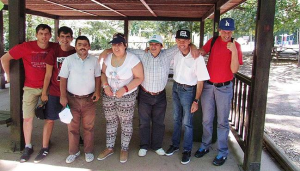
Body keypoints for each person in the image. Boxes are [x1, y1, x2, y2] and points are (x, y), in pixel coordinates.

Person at [1, 24, 57, 162]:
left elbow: (71, 51)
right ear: (36, 35)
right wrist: (8, 76)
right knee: (27, 118)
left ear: (50, 35)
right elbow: (4, 58)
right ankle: (28, 146)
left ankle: (45, 146)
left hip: (49, 87)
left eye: (46, 34)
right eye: (41, 33)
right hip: (30, 87)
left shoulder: (54, 47)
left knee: (49, 118)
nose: (44, 36)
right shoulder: (26, 47)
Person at [194, 18, 243, 166]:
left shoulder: (237, 46)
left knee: (222, 122)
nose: (227, 34)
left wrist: (233, 51)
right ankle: (205, 145)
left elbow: (234, 69)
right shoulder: (213, 41)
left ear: (232, 31)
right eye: (224, 31)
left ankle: (222, 152)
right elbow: (203, 51)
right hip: (209, 86)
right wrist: (196, 51)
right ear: (219, 30)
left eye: (229, 31)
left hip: (224, 88)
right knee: (207, 119)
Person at [165, 30, 210, 165]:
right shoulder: (176, 54)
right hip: (176, 88)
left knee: (187, 122)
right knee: (176, 118)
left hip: (188, 91)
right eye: (179, 40)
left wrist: (196, 100)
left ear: (190, 41)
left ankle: (186, 150)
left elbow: (201, 81)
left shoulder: (197, 57)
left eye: (184, 40)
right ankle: (175, 144)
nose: (181, 43)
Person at [97, 33, 144, 163]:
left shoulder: (132, 59)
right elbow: (103, 73)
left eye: (119, 44)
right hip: (109, 94)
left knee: (126, 122)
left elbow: (140, 78)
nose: (116, 47)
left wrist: (125, 89)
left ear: (125, 45)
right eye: (114, 44)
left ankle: (124, 148)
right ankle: (109, 147)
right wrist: (105, 85)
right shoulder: (108, 58)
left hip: (127, 95)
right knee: (111, 121)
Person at [33, 26, 76, 163]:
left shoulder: (75, 52)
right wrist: (44, 92)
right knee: (50, 119)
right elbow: (48, 74)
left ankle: (73, 147)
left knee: (72, 121)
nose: (65, 39)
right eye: (62, 36)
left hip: (72, 92)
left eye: (67, 36)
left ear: (71, 38)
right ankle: (44, 147)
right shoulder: (53, 51)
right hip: (55, 91)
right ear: (58, 38)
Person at [59, 36, 101, 164]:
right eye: (80, 44)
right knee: (72, 127)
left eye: (85, 44)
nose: (82, 47)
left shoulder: (94, 60)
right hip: (72, 99)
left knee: (88, 127)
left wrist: (97, 91)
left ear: (89, 46)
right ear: (75, 46)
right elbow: (63, 78)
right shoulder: (68, 60)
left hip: (89, 100)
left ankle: (88, 151)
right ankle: (74, 152)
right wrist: (63, 96)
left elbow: (98, 77)